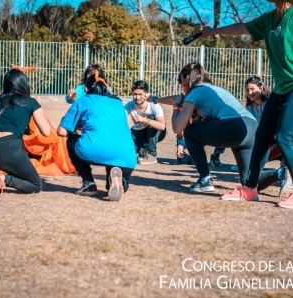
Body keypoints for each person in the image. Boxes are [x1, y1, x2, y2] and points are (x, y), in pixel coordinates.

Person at [198, 4, 293, 207]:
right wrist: (212, 31)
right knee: (262, 136)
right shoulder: (268, 19)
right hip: (282, 86)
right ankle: (249, 188)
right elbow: (240, 28)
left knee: (285, 137)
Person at [172, 62, 259, 193]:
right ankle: (278, 174)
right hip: (252, 128)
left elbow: (177, 127)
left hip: (234, 127)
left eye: (183, 85)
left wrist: (176, 106)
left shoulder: (195, 92)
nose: (183, 89)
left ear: (188, 78)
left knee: (189, 130)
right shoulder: (213, 89)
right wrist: (155, 99)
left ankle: (205, 180)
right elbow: (173, 98)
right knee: (248, 183)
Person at [58, 71, 136, 201]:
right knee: (115, 163)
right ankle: (119, 182)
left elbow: (61, 131)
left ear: (86, 89)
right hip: (126, 155)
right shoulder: (118, 102)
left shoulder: (83, 101)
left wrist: (75, 128)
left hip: (93, 149)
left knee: (72, 139)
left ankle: (89, 184)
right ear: (107, 88)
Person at [0, 69, 50, 197]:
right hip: (10, 148)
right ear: (25, 84)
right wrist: (37, 108)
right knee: (36, 185)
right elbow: (46, 131)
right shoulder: (30, 102)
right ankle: (2, 179)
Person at [124, 80, 166, 165]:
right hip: (139, 133)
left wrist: (144, 119)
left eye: (140, 94)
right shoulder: (130, 105)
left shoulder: (154, 105)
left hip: (156, 133)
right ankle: (142, 151)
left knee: (152, 117)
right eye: (135, 94)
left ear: (146, 94)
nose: (137, 97)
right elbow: (118, 117)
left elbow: (162, 126)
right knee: (127, 153)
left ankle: (151, 154)